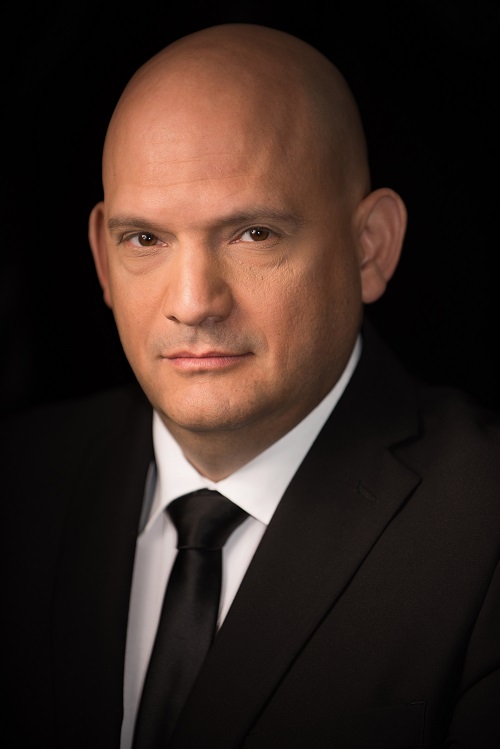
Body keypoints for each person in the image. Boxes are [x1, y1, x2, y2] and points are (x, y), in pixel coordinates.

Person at [2, 21, 499, 749]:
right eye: (146, 239)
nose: (194, 302)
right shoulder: (16, 482)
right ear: (104, 262)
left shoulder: (486, 528)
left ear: (370, 248)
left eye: (253, 234)